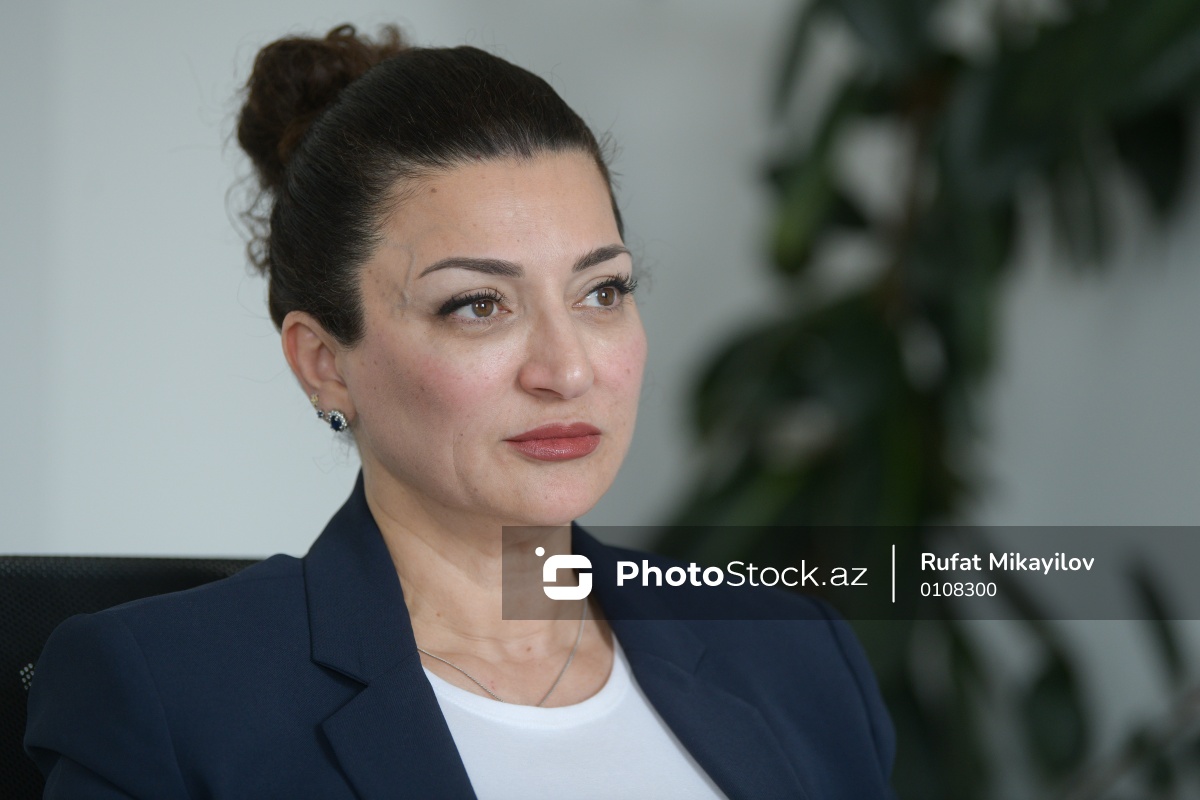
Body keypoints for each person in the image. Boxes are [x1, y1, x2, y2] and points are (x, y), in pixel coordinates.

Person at [24, 24, 895, 799]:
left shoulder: (791, 653)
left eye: (601, 291)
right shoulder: (174, 696)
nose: (567, 369)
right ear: (324, 363)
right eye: (479, 305)